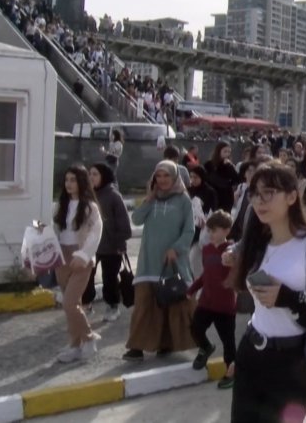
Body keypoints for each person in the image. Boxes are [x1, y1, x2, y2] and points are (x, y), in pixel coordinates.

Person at [226, 163, 306, 422]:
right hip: (251, 352)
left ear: (292, 196)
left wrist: (287, 298)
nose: (259, 200)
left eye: (269, 192)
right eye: (254, 193)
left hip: (292, 363)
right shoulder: (259, 241)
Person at [123, 161, 197, 361]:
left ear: (175, 178)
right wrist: (148, 198)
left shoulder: (183, 200)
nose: (163, 180)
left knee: (172, 306)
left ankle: (167, 344)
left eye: (167, 176)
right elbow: (136, 220)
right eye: (159, 176)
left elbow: (189, 230)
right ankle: (137, 347)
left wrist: (177, 248)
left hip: (172, 262)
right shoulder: (152, 200)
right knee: (144, 306)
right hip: (149, 263)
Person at [52, 165, 103, 363]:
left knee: (69, 302)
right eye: (66, 180)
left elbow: (96, 232)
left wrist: (83, 254)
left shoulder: (90, 207)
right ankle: (75, 344)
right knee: (72, 305)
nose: (69, 184)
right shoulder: (59, 206)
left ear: (81, 182)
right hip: (62, 257)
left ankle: (89, 337)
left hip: (81, 258)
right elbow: (52, 229)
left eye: (73, 180)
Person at [186, 211, 237, 389]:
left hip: (225, 307)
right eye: (209, 230)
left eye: (214, 230)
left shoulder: (232, 251)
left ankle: (231, 373)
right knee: (195, 329)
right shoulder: (206, 250)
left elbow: (238, 275)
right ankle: (206, 348)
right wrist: (191, 290)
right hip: (206, 303)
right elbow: (204, 276)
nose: (210, 234)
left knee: (228, 344)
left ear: (226, 231)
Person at [81, 163, 133, 323]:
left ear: (104, 176)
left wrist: (119, 244)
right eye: (90, 174)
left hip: (111, 247)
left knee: (109, 278)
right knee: (85, 277)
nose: (91, 177)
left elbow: (124, 226)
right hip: (91, 246)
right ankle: (86, 305)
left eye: (95, 174)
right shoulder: (86, 195)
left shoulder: (113, 196)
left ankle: (112, 306)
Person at [205, 141, 241, 213]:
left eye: (229, 152)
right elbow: (206, 179)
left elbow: (237, 179)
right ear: (218, 151)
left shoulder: (229, 165)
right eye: (225, 151)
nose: (227, 154)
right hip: (213, 195)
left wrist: (231, 167)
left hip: (226, 196)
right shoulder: (209, 164)